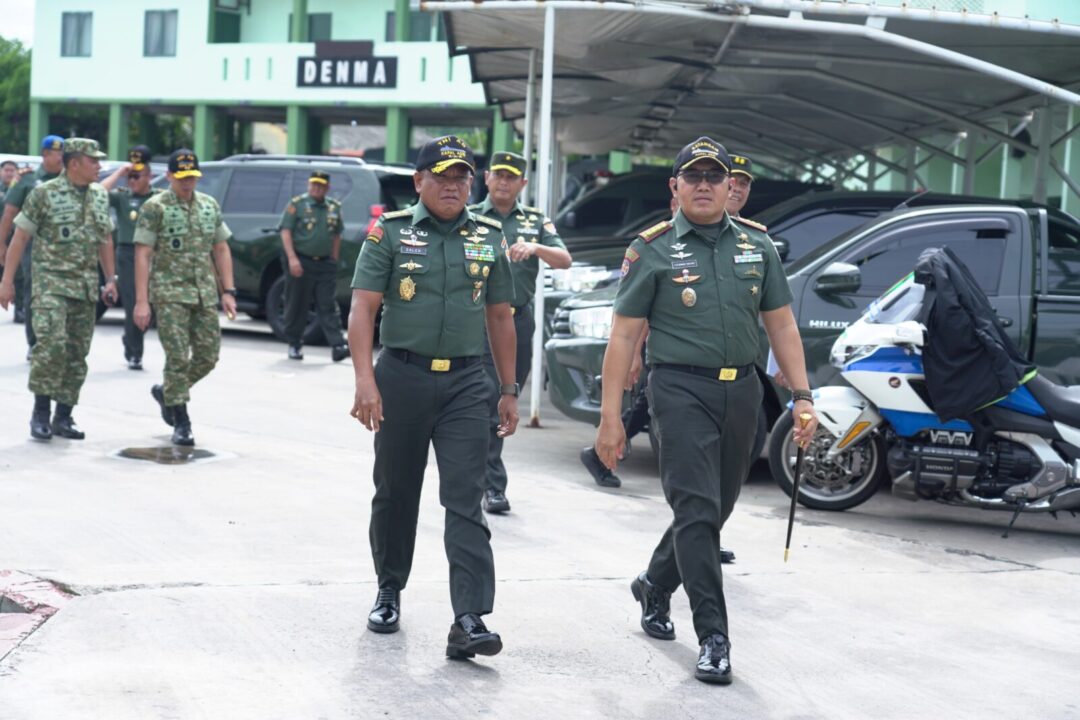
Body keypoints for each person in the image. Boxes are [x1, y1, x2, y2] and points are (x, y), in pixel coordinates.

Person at [594, 137, 819, 685]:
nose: (702, 185)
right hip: (678, 391)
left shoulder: (757, 246)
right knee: (697, 512)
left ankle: (653, 583)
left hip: (741, 391)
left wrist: (804, 395)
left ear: (728, 187)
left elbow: (782, 324)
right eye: (691, 176)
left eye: (712, 177)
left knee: (715, 509)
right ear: (675, 187)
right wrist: (610, 416)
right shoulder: (652, 249)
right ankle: (714, 636)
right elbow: (623, 337)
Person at [348, 135, 519, 660]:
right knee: (396, 492)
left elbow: (499, 317)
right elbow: (363, 308)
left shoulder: (488, 237)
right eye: (442, 177)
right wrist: (364, 381)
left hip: (469, 383)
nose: (453, 186)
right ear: (418, 181)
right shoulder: (391, 233)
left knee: (465, 497)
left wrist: (509, 389)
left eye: (462, 177)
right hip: (401, 376)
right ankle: (389, 587)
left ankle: (469, 617)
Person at [470, 151, 571, 514]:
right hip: (479, 321)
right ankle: (492, 485)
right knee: (485, 402)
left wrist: (536, 247)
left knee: (504, 400)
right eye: (498, 174)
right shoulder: (470, 218)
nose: (504, 182)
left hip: (518, 320)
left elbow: (565, 259)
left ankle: (478, 476)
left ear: (522, 184)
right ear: (486, 178)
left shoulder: (534, 221)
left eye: (512, 177)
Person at [0, 138, 118, 441]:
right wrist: (7, 281)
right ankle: (40, 412)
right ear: (74, 163)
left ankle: (63, 416)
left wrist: (111, 278)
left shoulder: (99, 196)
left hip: (84, 286)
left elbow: (105, 238)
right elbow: (20, 237)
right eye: (93, 161)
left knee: (77, 354)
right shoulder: (43, 193)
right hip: (50, 284)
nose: (99, 167)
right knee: (51, 347)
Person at [134, 149, 237, 447]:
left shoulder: (208, 205)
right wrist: (142, 301)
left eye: (192, 177)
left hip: (204, 293)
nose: (187, 182)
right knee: (177, 357)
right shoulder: (156, 207)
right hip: (169, 294)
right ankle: (181, 420)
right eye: (181, 177)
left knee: (208, 356)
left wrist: (228, 291)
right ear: (168, 176)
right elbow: (143, 254)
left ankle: (167, 391)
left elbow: (221, 248)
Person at [1, 136, 66, 350]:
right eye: (59, 154)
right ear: (45, 154)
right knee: (34, 292)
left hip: (64, 248)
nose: (62, 158)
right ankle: (34, 341)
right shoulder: (28, 180)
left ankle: (57, 341)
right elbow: (9, 213)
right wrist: (1, 243)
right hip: (33, 245)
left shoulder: (71, 180)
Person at [278, 170, 349, 362]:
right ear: (309, 185)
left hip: (324, 263)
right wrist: (292, 259)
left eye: (320, 185)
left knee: (328, 304)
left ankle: (338, 345)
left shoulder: (334, 207)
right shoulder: (297, 204)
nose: (316, 188)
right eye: (313, 185)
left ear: (327, 188)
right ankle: (294, 344)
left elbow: (336, 234)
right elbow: (285, 231)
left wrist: (333, 259)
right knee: (297, 304)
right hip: (301, 261)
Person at [101, 145, 161, 370]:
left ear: (149, 176)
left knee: (152, 304)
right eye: (131, 176)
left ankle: (131, 338)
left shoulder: (158, 198)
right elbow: (98, 193)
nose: (132, 181)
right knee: (134, 304)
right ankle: (135, 352)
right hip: (128, 255)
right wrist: (119, 173)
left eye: (137, 176)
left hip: (154, 254)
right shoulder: (123, 198)